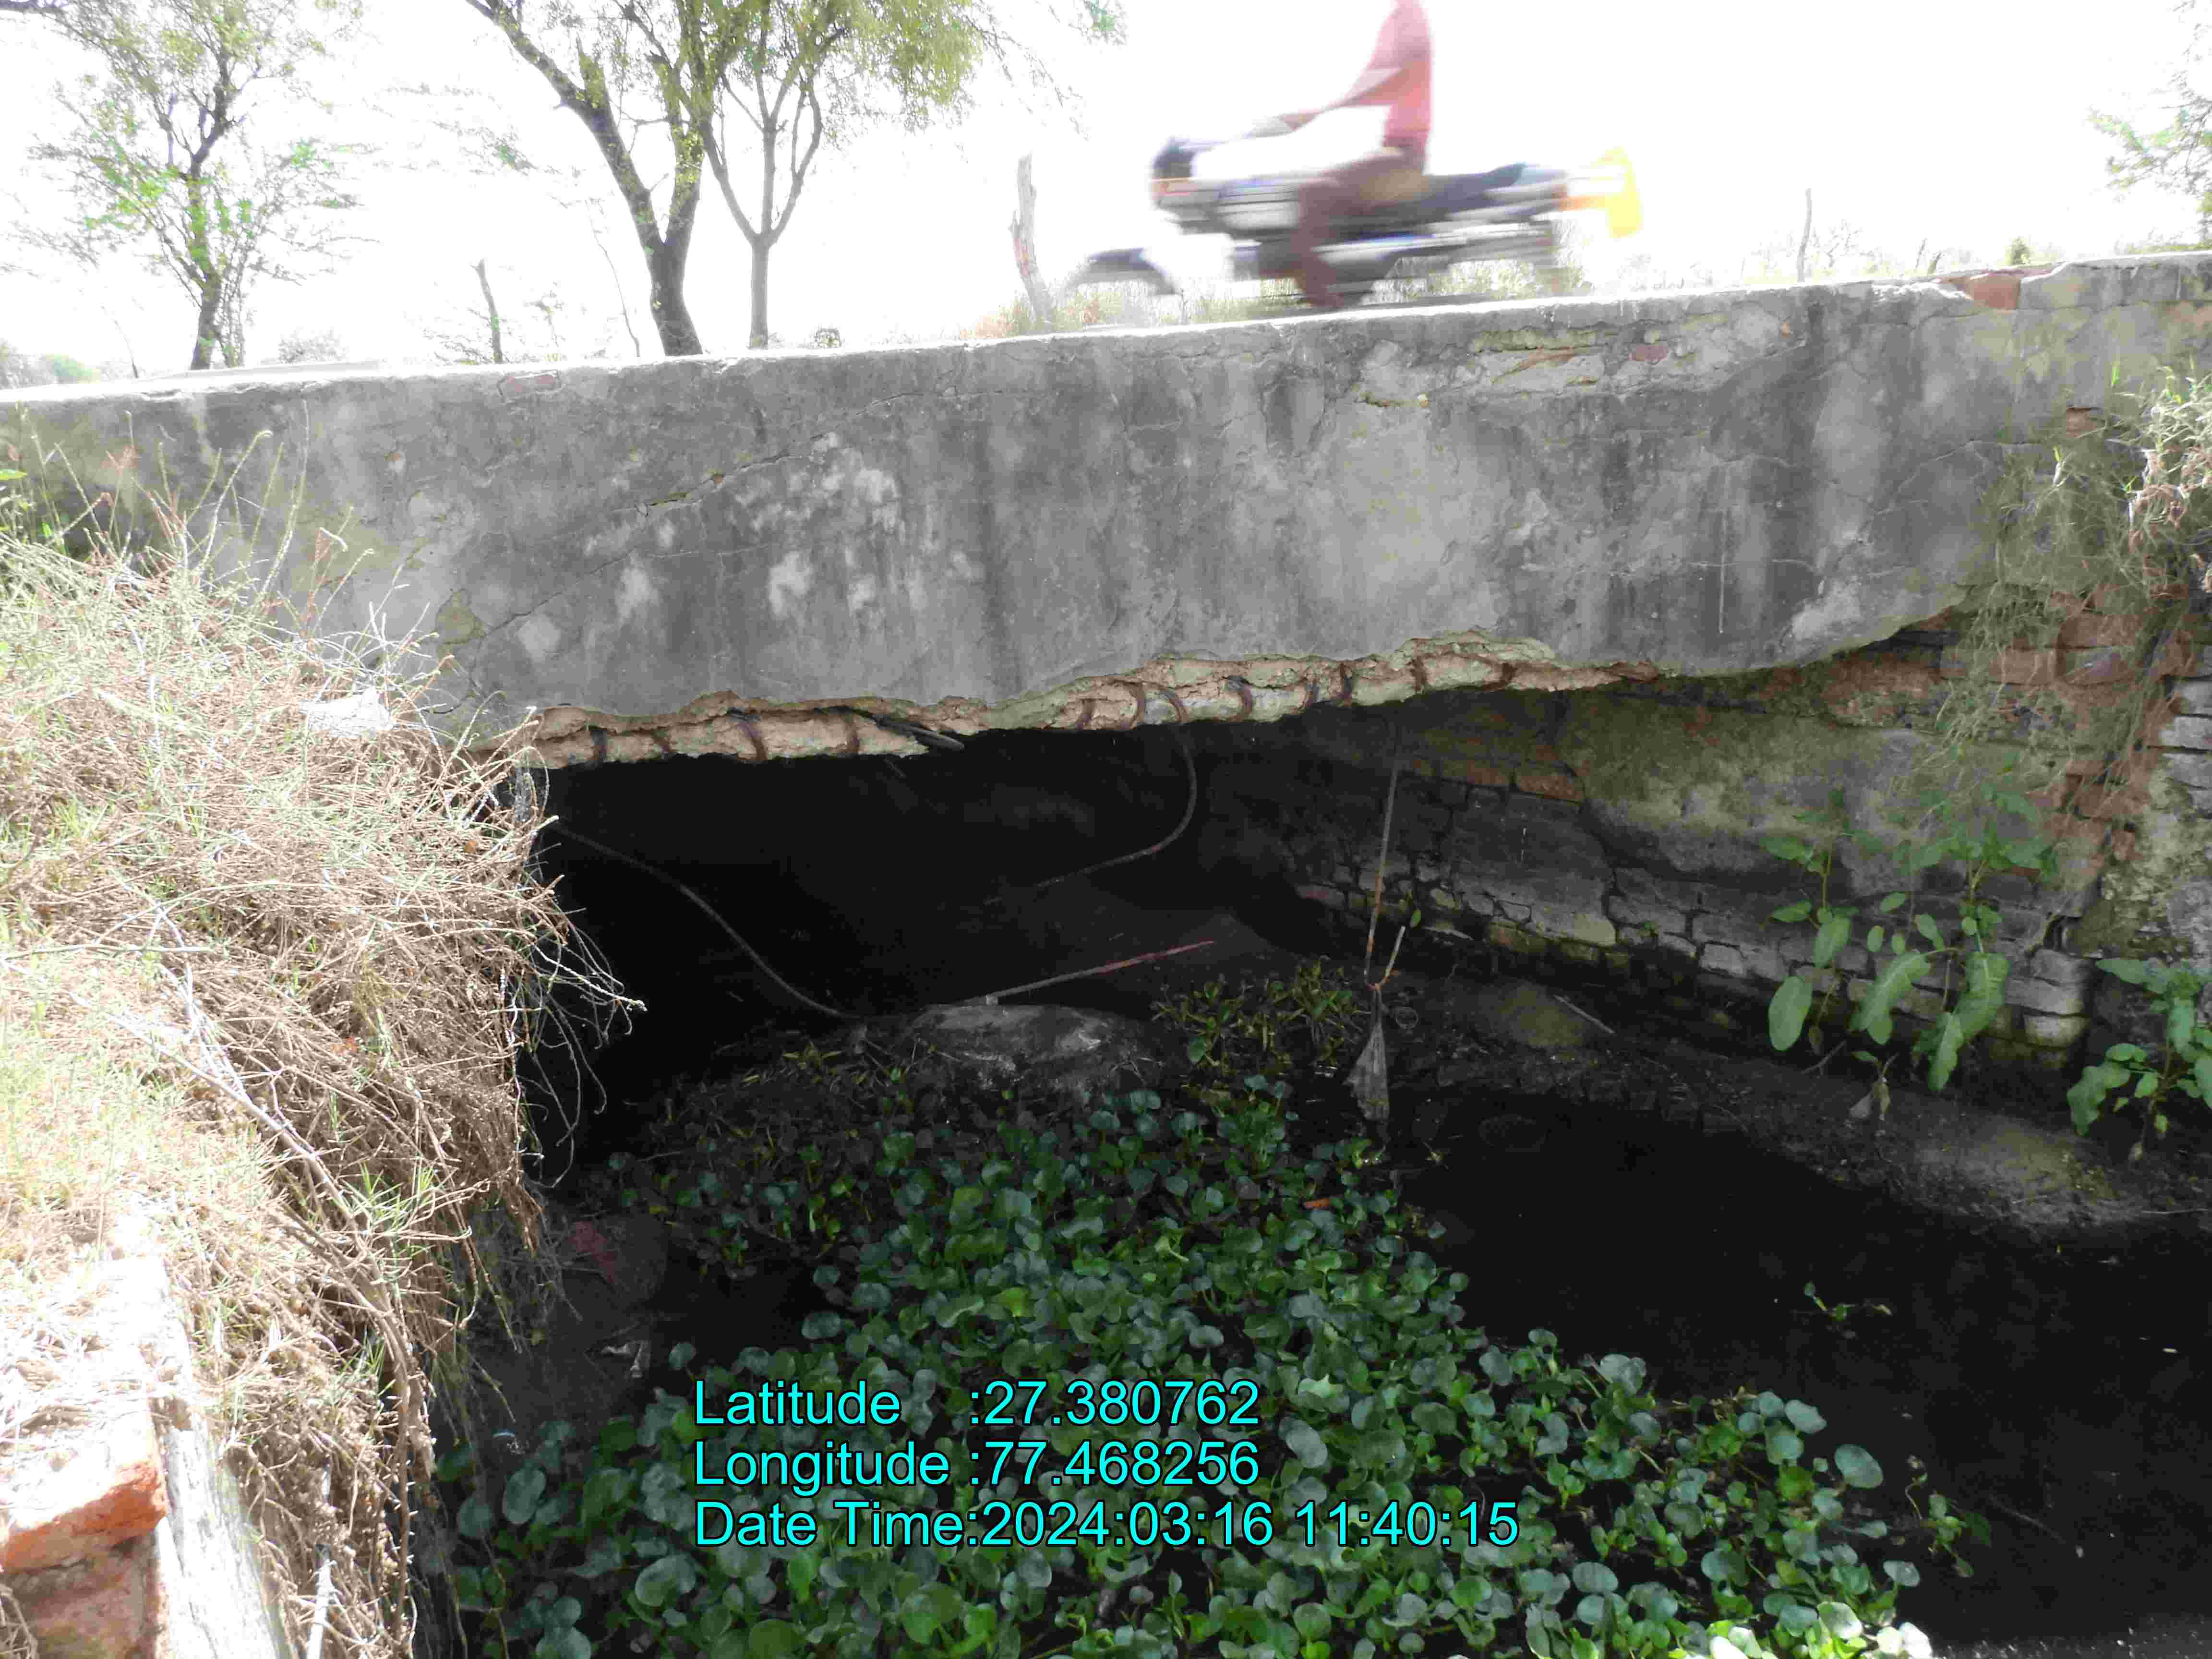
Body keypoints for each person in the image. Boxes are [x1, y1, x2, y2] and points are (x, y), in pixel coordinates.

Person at [1264, 0, 1432, 310]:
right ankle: (1337, 297)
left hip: (1405, 157)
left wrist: (1319, 111)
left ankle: (1326, 307)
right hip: (1395, 151)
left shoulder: (1409, 15)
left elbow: (1394, 79)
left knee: (1314, 193)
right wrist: (1318, 111)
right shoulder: (1398, 18)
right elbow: (1375, 76)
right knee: (1310, 188)